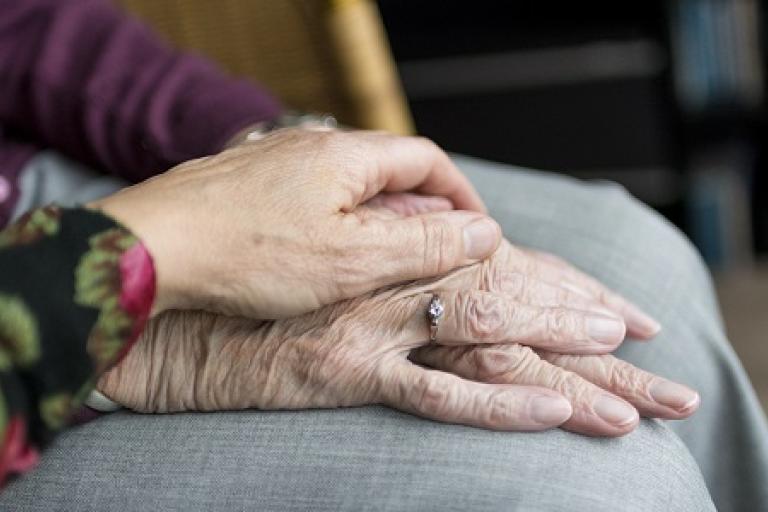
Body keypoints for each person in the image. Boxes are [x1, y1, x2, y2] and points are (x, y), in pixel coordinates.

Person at [0, 1, 765, 511]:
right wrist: (135, 325)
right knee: (590, 484)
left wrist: (264, 154)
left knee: (635, 262)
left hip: (42, 181)